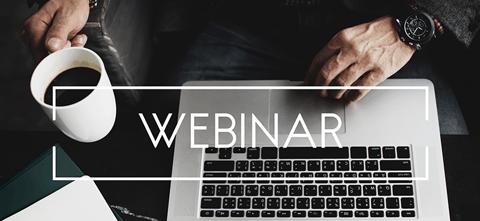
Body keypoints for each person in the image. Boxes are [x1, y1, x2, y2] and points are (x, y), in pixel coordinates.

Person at [22, 0, 480, 104]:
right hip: (247, 20)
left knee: (438, 184)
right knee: (171, 163)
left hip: (389, 28)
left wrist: (416, 23)